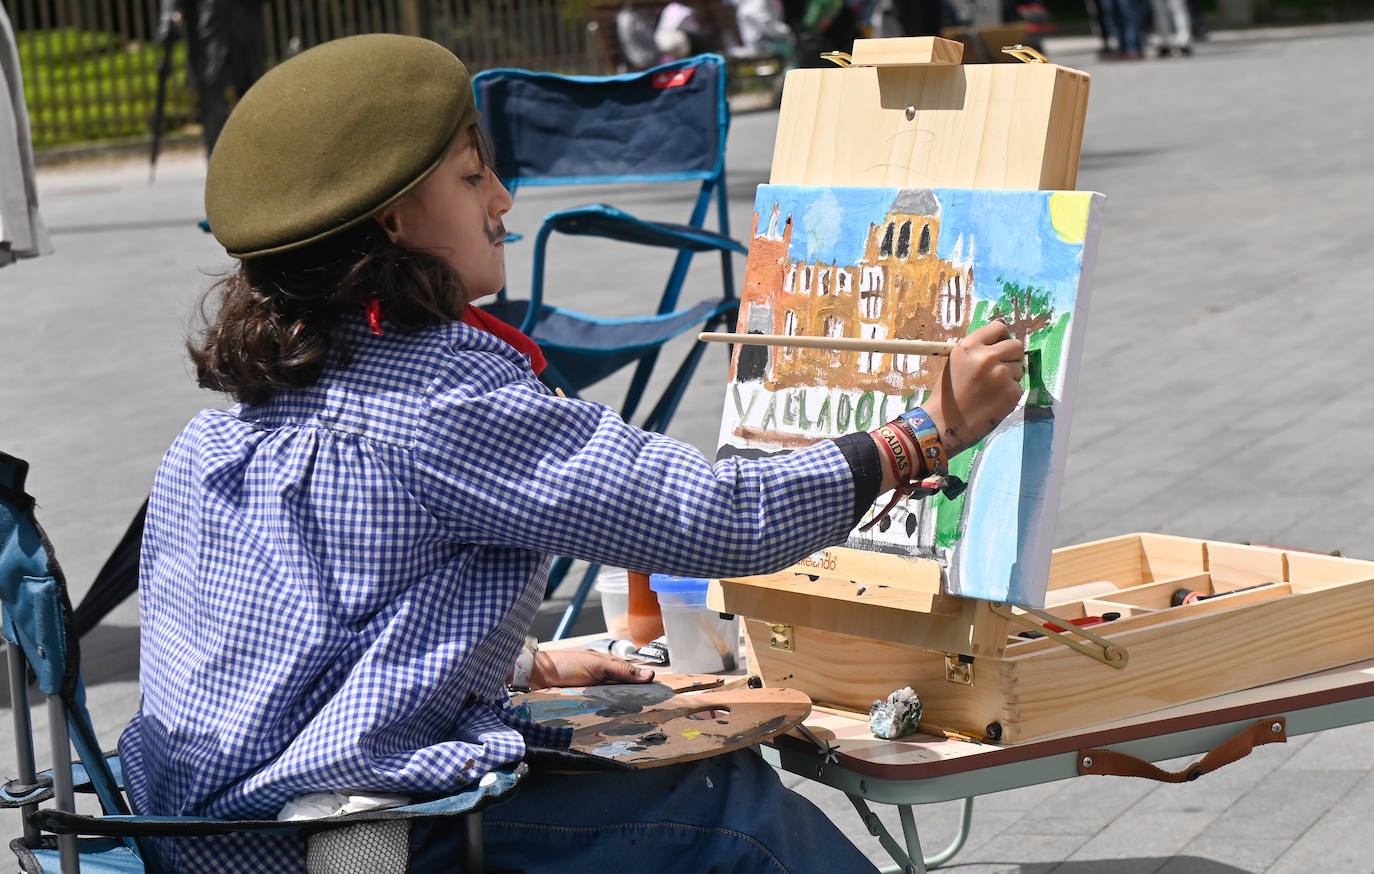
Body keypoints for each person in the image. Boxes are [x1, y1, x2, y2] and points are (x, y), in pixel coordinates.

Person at [118, 33, 1025, 873]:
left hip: (196, 828)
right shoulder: (444, 398)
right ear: (396, 220)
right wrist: (920, 435)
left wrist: (523, 666)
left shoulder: (235, 420)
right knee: (725, 808)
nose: (503, 201)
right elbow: (721, 518)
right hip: (336, 842)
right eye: (474, 178)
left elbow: (301, 634)